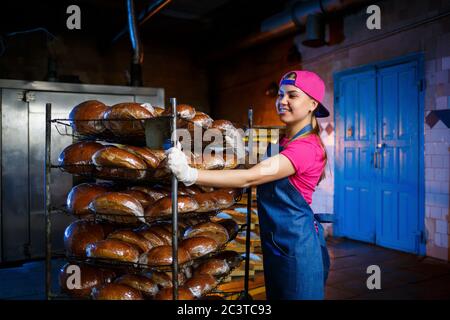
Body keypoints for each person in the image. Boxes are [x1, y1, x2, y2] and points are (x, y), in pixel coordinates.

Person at [166, 70, 331, 300]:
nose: (282, 101)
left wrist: (190, 174)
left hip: (298, 248)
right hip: (279, 242)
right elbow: (261, 168)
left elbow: (251, 177)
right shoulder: (284, 140)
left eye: (292, 96)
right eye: (281, 94)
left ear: (312, 103)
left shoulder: (305, 148)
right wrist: (242, 152)